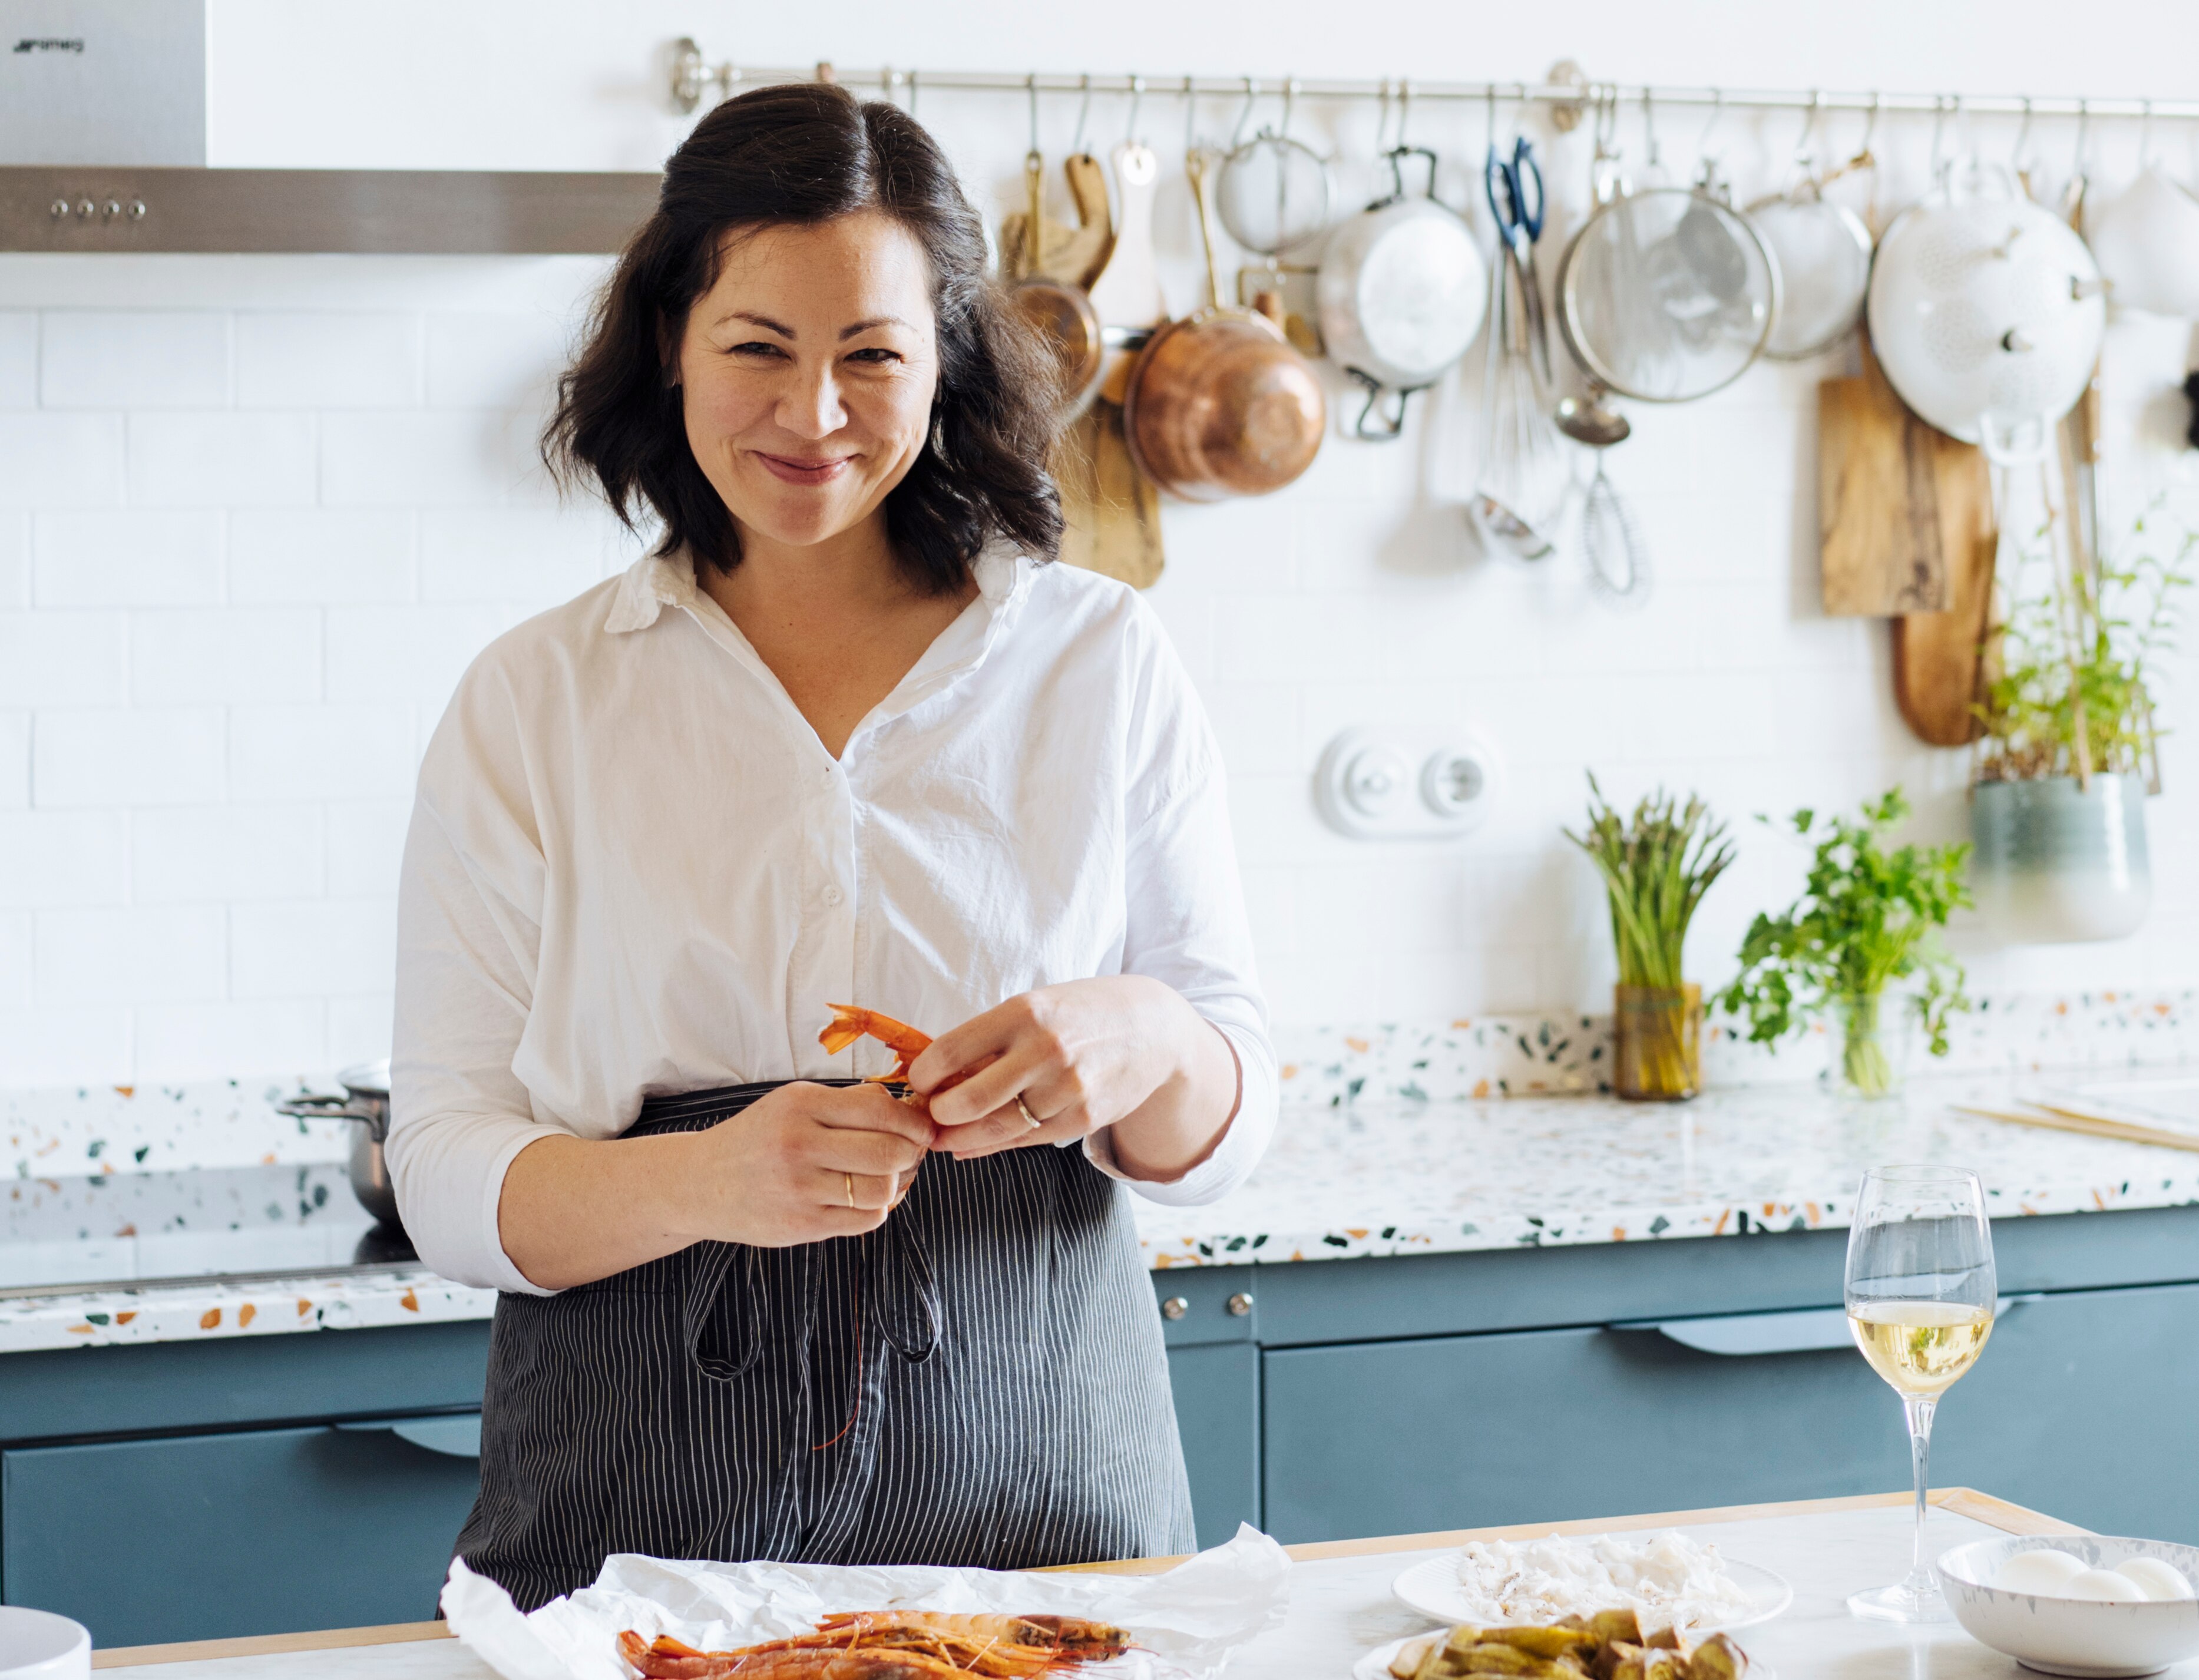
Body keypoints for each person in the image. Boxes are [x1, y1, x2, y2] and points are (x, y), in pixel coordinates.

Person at [386, 80, 1275, 1611]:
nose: (813, 415)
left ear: (946, 362)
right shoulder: (537, 698)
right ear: (672, 341)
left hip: (1045, 1505)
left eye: (872, 355)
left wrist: (1142, 1035)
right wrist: (714, 1179)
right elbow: (446, 1169)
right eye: (758, 349)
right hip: (631, 1524)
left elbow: (1229, 1123)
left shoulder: (1097, 658)